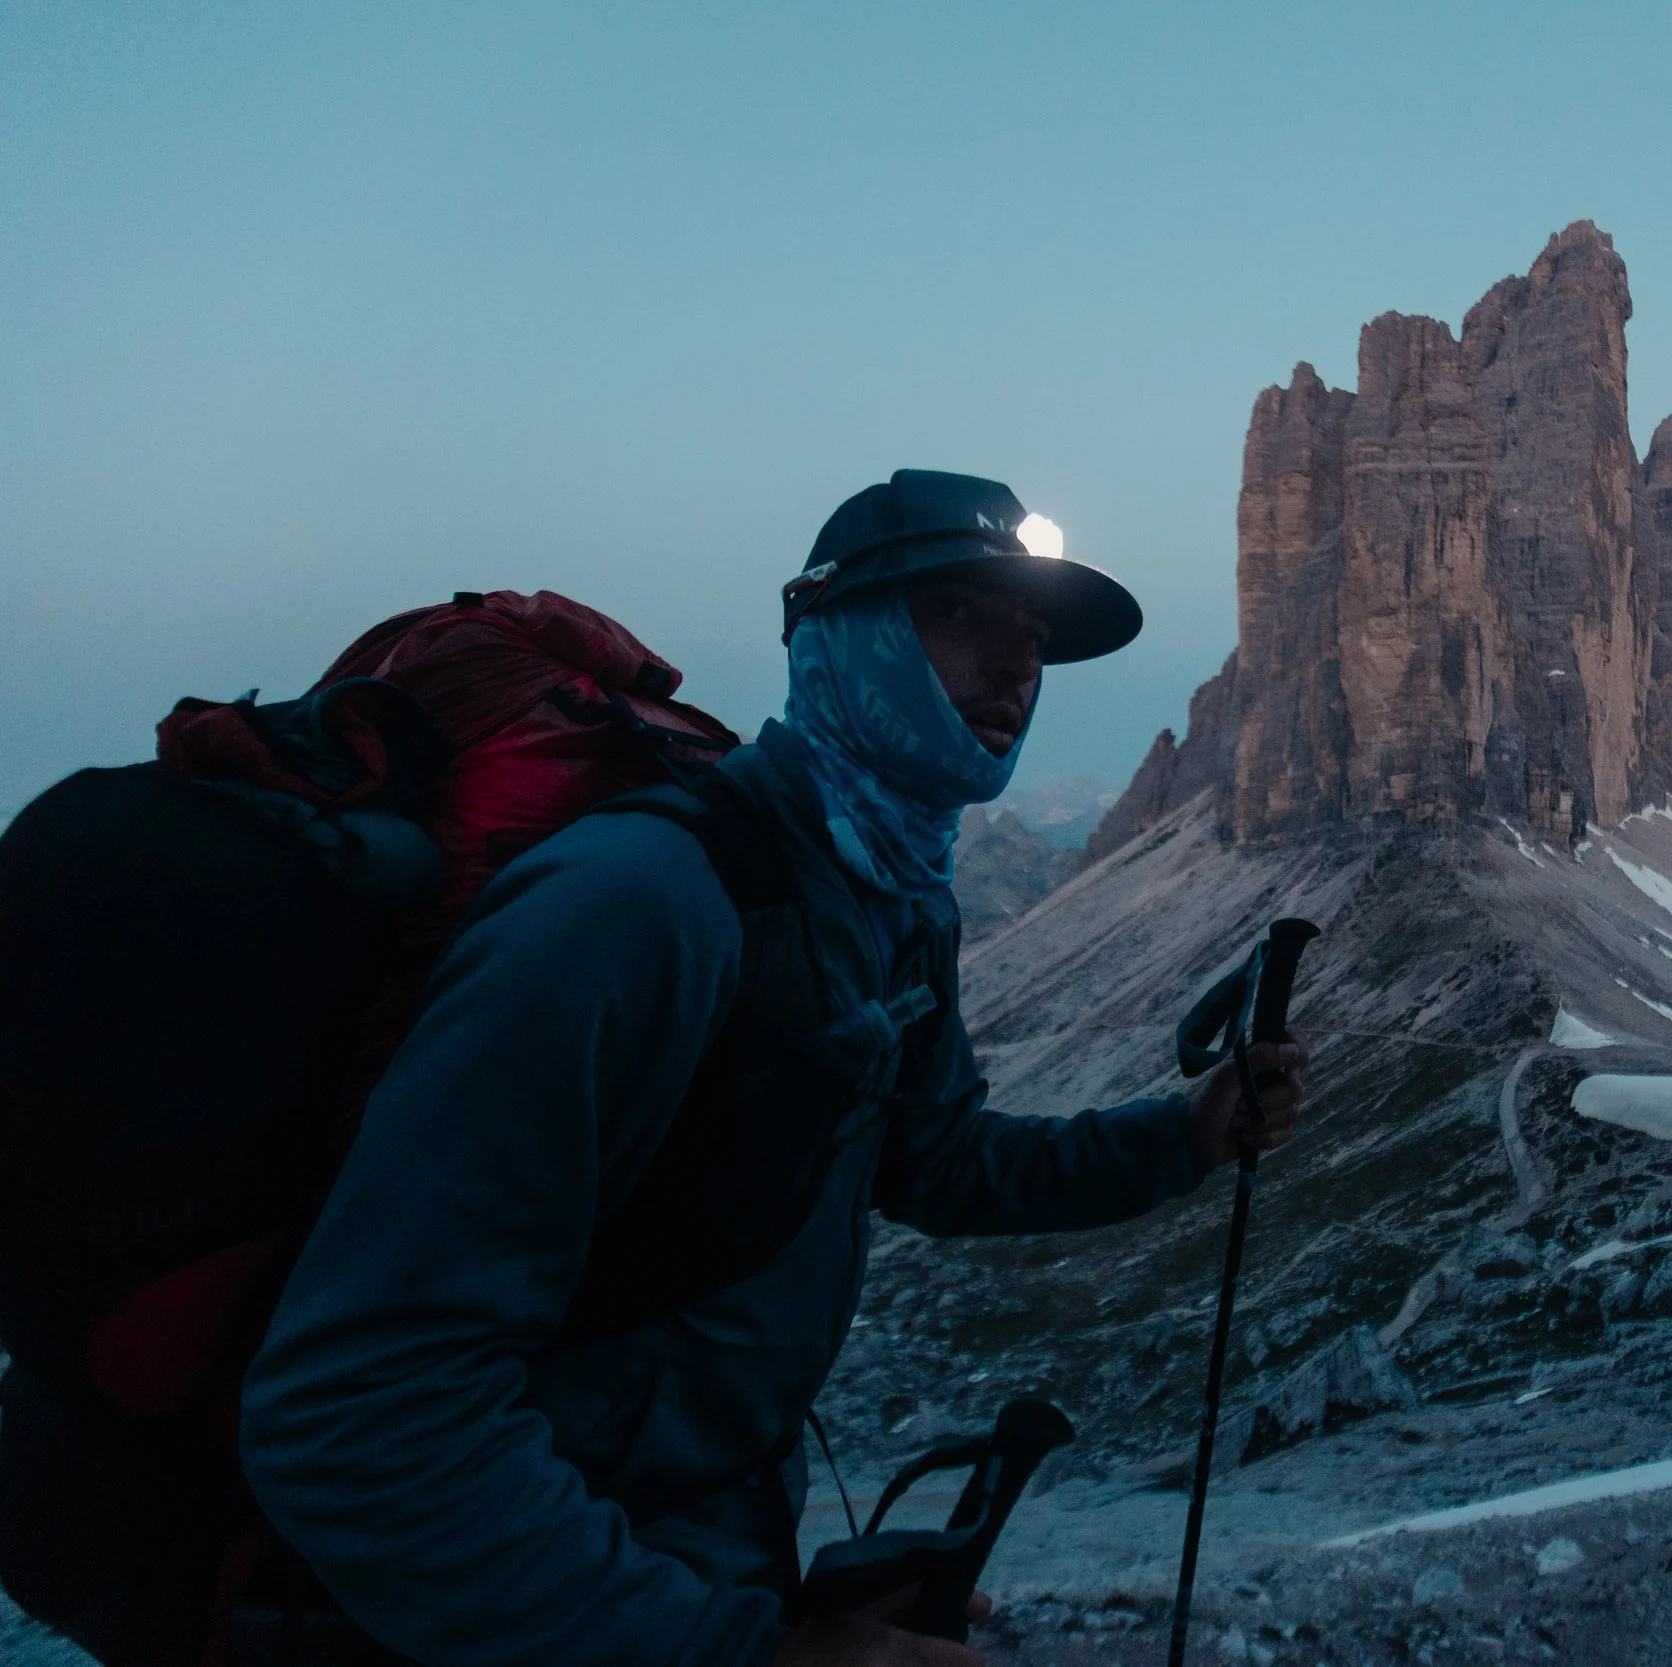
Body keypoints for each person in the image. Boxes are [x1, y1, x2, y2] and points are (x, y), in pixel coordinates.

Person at [236, 470, 1305, 1667]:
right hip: (494, 1609)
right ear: (835, 632)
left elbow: (934, 1158)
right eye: (960, 612)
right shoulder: (639, 905)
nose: (1016, 667)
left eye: (1037, 638)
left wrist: (1183, 1132)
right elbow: (356, 1408)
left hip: (699, 1562)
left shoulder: (890, 896)